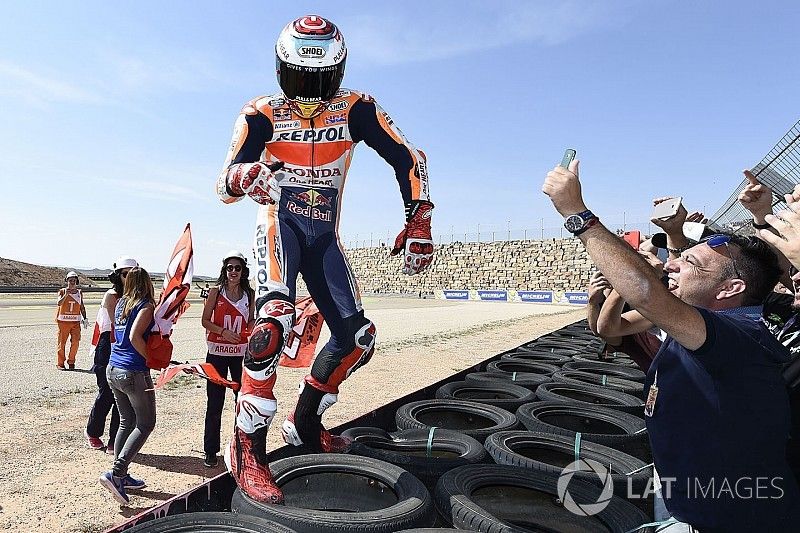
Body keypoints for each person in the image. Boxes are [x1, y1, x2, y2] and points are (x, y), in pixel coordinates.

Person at [215, 14, 434, 504]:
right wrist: (244, 177)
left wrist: (418, 218)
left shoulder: (358, 108)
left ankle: (305, 422)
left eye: (319, 79)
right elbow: (223, 183)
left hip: (324, 236)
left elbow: (408, 156)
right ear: (279, 69)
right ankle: (248, 448)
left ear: (337, 73)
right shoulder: (261, 112)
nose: (308, 90)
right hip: (280, 226)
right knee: (270, 328)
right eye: (298, 78)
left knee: (358, 338)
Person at [543, 159, 800, 531]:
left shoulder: (741, 334)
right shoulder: (700, 323)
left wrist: (577, 215)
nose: (670, 266)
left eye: (688, 261)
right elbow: (615, 323)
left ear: (730, 289)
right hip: (691, 503)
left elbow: (647, 295)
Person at [98, 267, 155, 505]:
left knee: (126, 421)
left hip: (114, 368)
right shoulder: (145, 306)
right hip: (133, 370)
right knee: (145, 423)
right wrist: (151, 359)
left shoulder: (120, 303)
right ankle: (118, 473)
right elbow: (134, 337)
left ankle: (121, 473)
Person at [200, 251, 254, 468]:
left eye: (237, 268)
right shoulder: (216, 291)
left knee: (242, 402)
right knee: (215, 404)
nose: (233, 271)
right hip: (217, 354)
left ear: (243, 271)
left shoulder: (249, 294)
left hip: (240, 356)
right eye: (229, 268)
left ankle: (241, 446)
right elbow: (205, 321)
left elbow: (250, 320)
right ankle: (210, 450)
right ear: (224, 270)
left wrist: (249, 329)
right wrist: (222, 331)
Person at [85, 256, 139, 452]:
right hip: (108, 345)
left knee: (124, 395)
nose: (129, 278)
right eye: (125, 274)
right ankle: (92, 431)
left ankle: (114, 439)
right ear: (118, 276)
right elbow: (118, 324)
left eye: (134, 274)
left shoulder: (137, 296)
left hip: (126, 346)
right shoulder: (112, 295)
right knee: (107, 393)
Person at [56, 271, 87, 370]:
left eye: (74, 280)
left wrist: (85, 318)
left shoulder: (79, 292)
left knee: (76, 342)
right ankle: (60, 363)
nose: (72, 282)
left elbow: (82, 306)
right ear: (67, 281)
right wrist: (65, 295)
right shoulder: (62, 291)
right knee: (62, 343)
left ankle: (71, 361)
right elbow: (59, 303)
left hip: (75, 322)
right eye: (70, 280)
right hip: (63, 322)